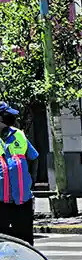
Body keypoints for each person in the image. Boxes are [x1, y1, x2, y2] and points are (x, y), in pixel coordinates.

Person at [0, 101, 39, 244]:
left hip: (22, 200)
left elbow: (34, 158)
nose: (11, 118)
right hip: (1, 202)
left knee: (26, 243)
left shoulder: (19, 135)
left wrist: (31, 181)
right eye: (7, 115)